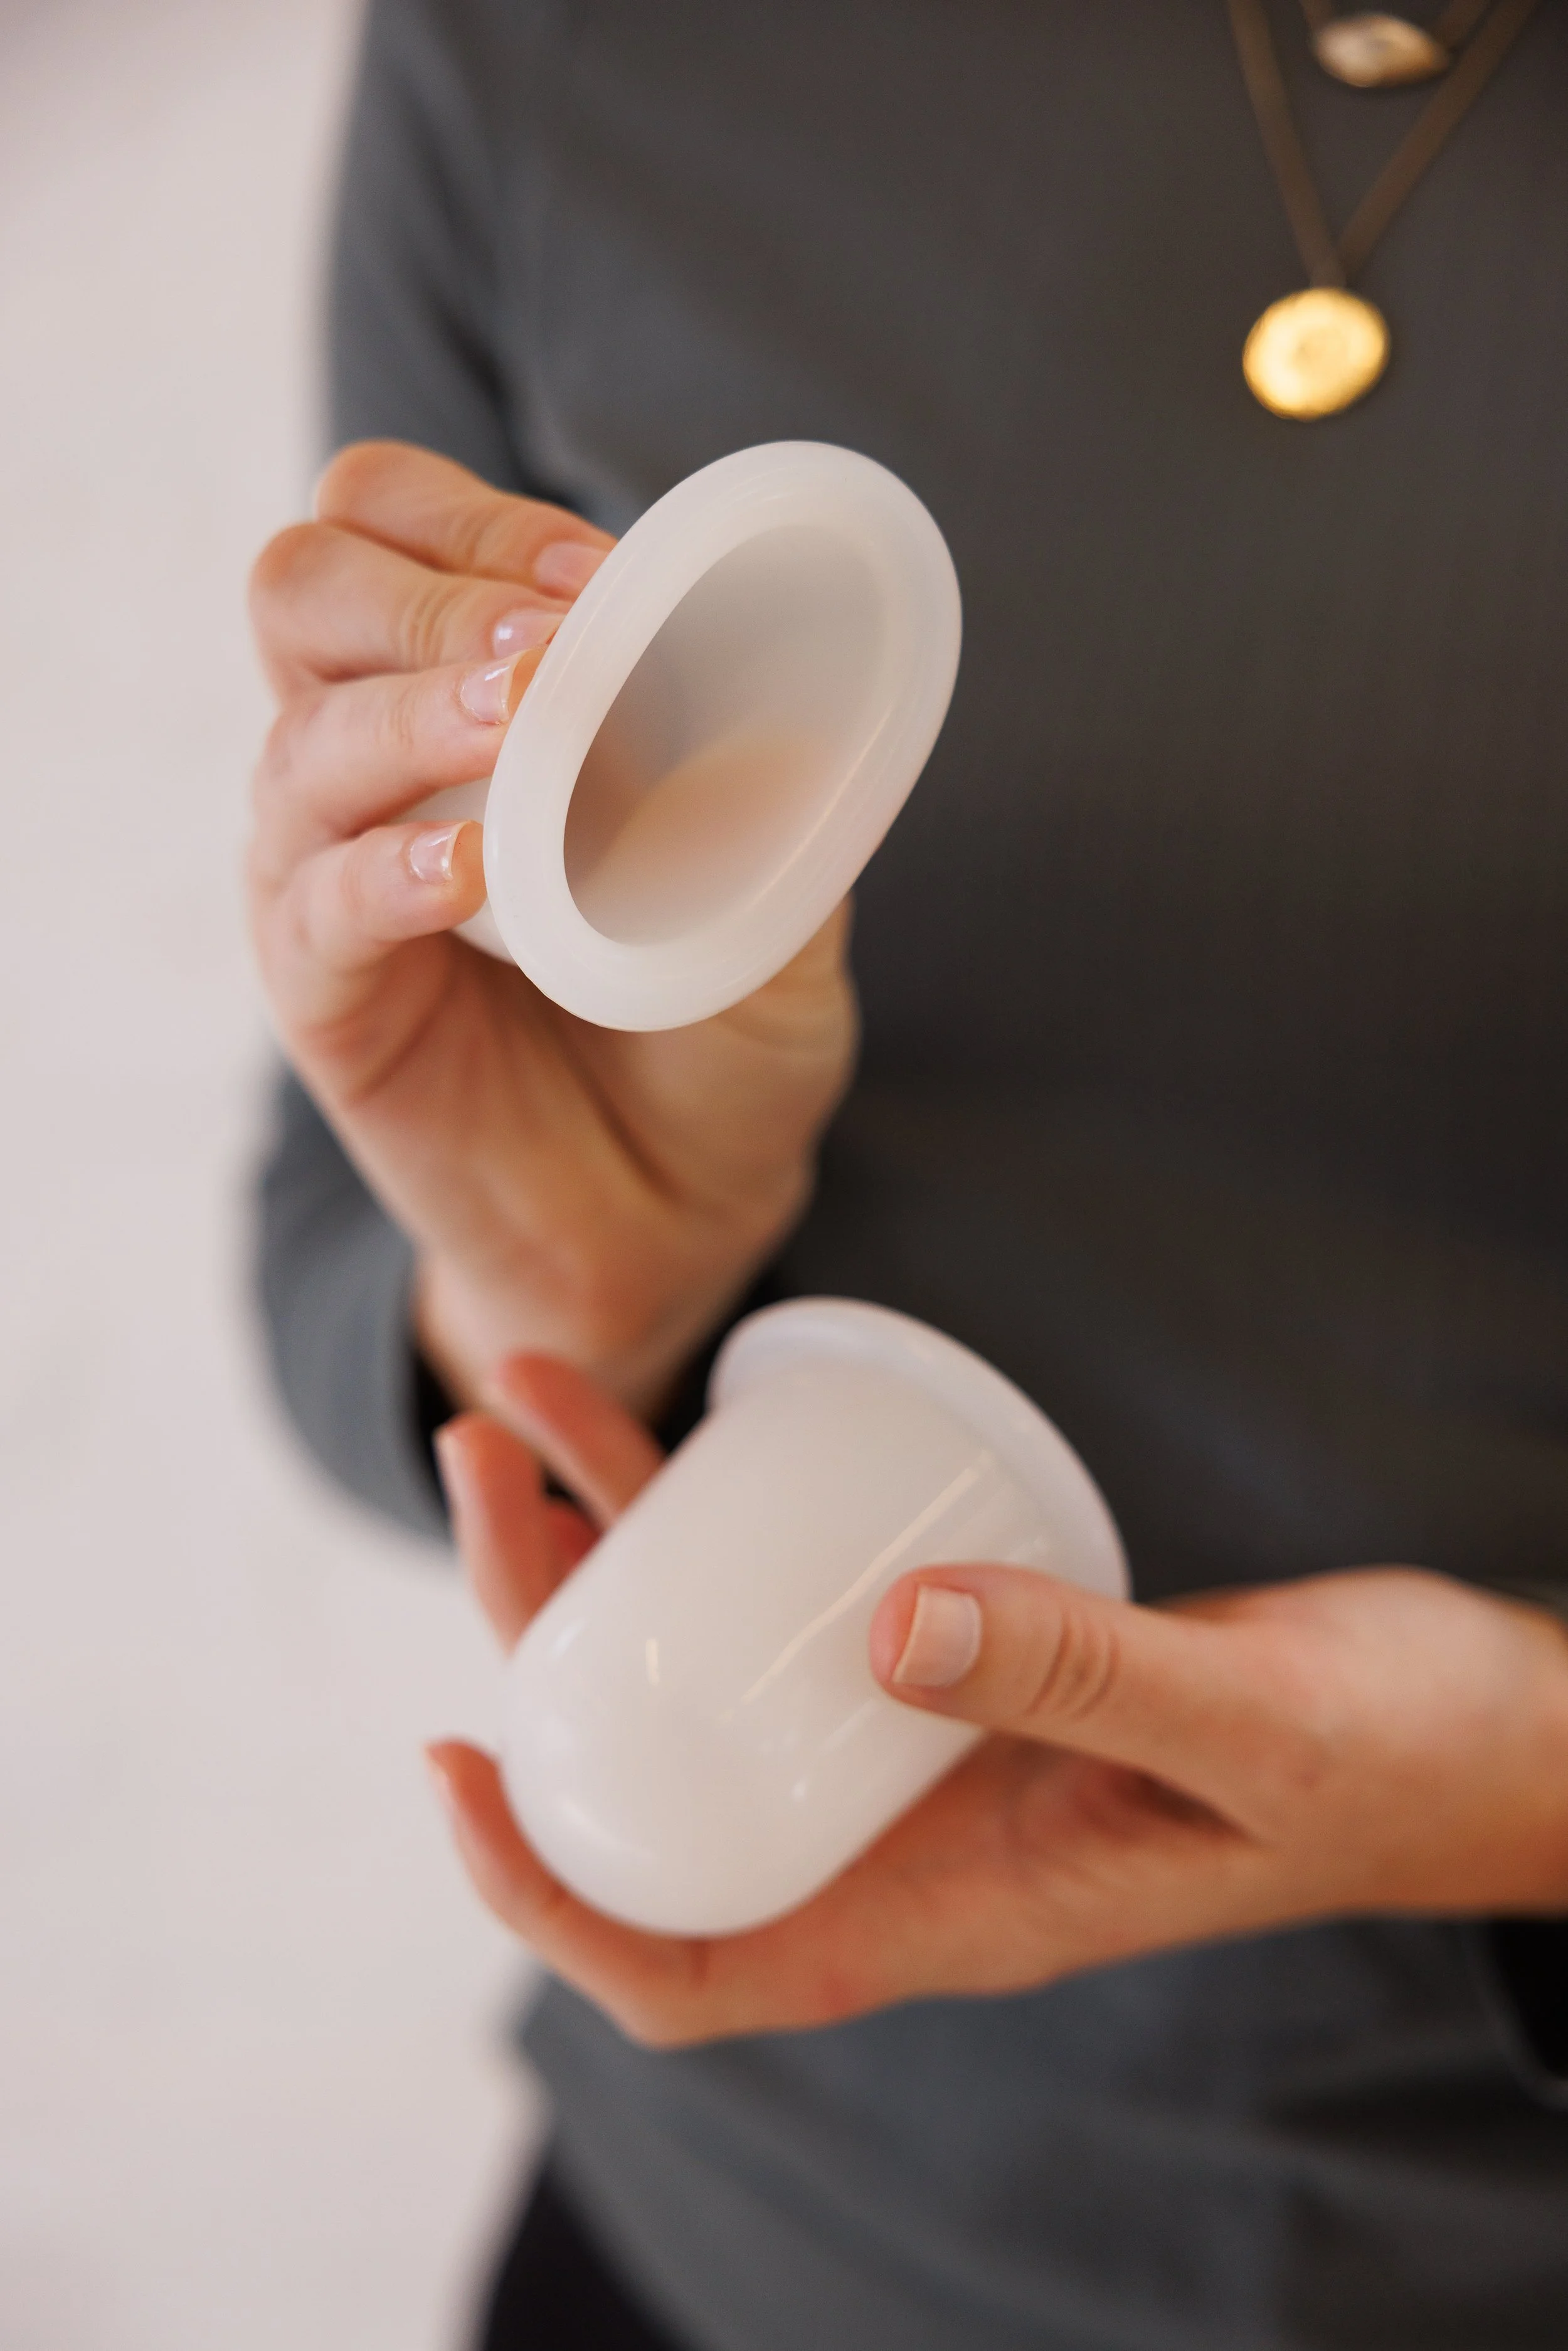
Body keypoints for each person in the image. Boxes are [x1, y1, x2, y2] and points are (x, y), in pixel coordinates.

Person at [249, 2, 1568, 2344]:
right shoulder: (568, 48)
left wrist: (1530, 1790)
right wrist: (561, 1269)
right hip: (735, 2237)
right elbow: (326, 1251)